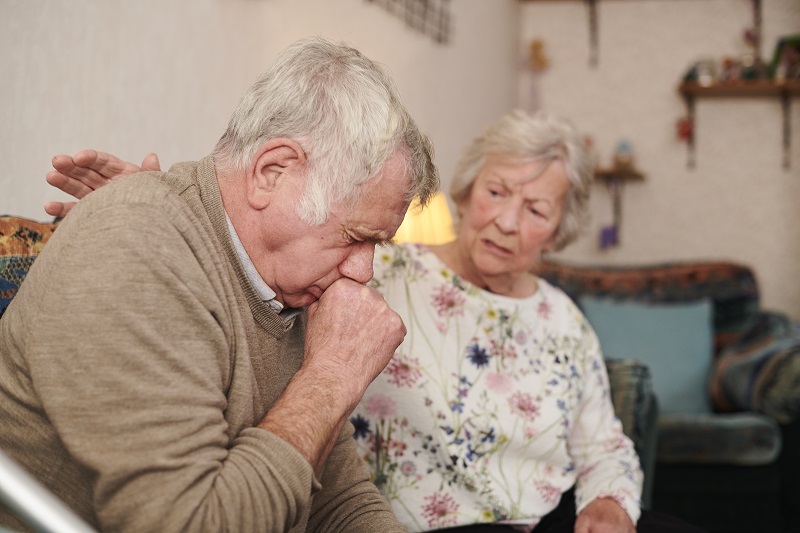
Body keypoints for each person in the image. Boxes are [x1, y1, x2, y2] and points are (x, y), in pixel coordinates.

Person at [43, 111, 705, 533]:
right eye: (497, 193)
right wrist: (157, 206)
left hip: (555, 516)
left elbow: (605, 442)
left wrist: (611, 503)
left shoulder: (563, 319)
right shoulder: (377, 270)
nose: (507, 220)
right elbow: (263, 244)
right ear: (467, 193)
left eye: (536, 209)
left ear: (561, 229)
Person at [0, 36, 438, 532]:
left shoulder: (282, 287)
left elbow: (339, 501)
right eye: (356, 237)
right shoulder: (136, 241)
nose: (364, 271)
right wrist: (331, 378)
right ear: (272, 172)